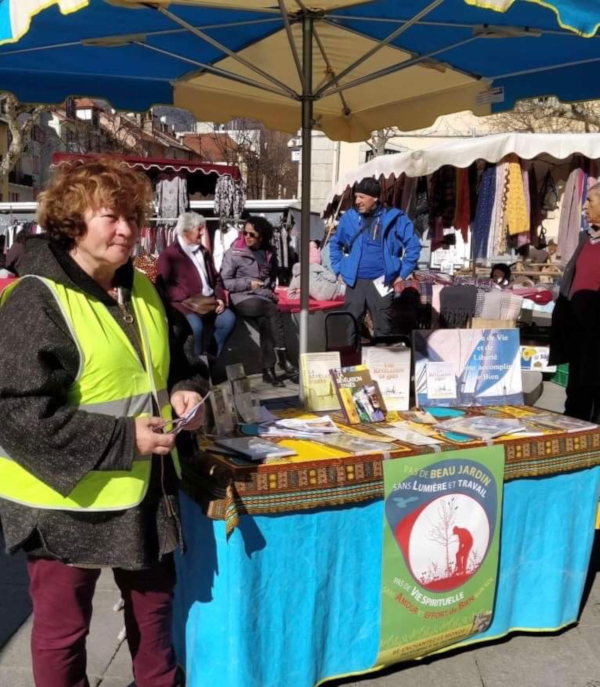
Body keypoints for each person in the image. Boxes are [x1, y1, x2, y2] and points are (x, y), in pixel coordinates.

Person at [0, 158, 207, 687]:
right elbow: (16, 413)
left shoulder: (140, 288)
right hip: (63, 499)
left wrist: (186, 391)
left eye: (135, 218)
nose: (128, 230)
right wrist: (122, 439)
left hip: (144, 490)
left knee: (154, 615)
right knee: (64, 629)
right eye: (111, 216)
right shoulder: (35, 299)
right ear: (72, 220)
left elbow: (181, 362)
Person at [329, 177, 421, 343]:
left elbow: (413, 246)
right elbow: (335, 245)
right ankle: (352, 365)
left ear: (375, 198)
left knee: (383, 330)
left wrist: (403, 273)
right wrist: (338, 271)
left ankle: (380, 367)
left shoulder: (395, 218)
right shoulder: (348, 218)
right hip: (354, 282)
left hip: (382, 282)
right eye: (356, 197)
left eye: (362, 197)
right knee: (350, 329)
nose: (357, 201)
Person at [221, 215, 298, 386]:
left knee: (265, 323)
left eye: (252, 234)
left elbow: (271, 279)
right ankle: (284, 359)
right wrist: (250, 284)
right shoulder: (234, 252)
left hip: (261, 298)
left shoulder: (269, 253)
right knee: (272, 310)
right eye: (245, 233)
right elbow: (225, 281)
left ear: (261, 237)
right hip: (241, 297)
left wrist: (266, 291)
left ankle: (268, 371)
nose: (247, 237)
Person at [550, 182, 600, 422]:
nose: (584, 206)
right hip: (579, 335)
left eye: (590, 200)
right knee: (577, 394)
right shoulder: (586, 238)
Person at [156, 211, 236, 359]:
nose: (203, 232)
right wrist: (185, 294)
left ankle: (210, 361)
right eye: (199, 229)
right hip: (185, 306)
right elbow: (161, 285)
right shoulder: (169, 255)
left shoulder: (203, 252)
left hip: (208, 303)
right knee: (195, 328)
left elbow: (217, 279)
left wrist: (219, 298)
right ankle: (197, 366)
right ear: (186, 231)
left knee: (228, 320)